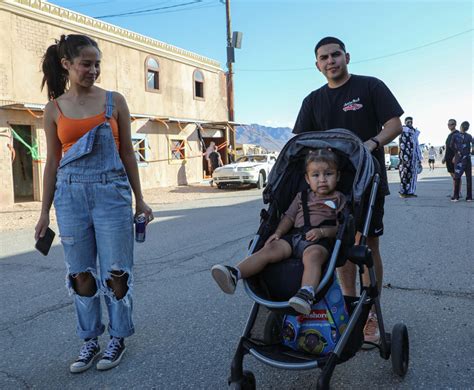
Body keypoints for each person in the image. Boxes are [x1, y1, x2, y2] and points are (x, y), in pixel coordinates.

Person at [34, 34, 153, 373]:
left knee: (117, 272)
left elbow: (128, 152)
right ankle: (89, 340)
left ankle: (117, 337)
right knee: (81, 274)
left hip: (111, 195)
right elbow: (53, 163)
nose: (93, 70)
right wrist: (44, 212)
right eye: (86, 64)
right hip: (69, 197)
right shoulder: (54, 109)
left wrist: (140, 199)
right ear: (67, 65)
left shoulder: (115, 101)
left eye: (97, 64)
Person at [292, 36, 403, 344]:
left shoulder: (370, 87)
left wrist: (372, 143)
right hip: (330, 188)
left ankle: (369, 312)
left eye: (335, 55)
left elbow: (394, 124)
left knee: (365, 246)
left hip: (367, 181)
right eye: (324, 57)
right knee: (341, 245)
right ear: (317, 65)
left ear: (347, 57)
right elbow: (301, 141)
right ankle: (348, 303)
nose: (331, 61)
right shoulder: (313, 100)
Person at [211, 149, 346, 314]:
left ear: (338, 176)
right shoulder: (301, 196)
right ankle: (234, 273)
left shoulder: (339, 198)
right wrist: (278, 233)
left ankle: (306, 293)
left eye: (328, 174)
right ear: (307, 179)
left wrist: (323, 232)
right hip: (295, 236)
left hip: (319, 242)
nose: (322, 179)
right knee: (269, 249)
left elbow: (343, 228)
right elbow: (288, 217)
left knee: (313, 257)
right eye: (316, 175)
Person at [398, 117, 422, 197]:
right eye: (408, 121)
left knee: (413, 175)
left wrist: (419, 158)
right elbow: (403, 146)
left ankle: (410, 192)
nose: (410, 123)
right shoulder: (403, 131)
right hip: (405, 158)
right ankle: (403, 192)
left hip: (413, 158)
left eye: (411, 121)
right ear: (405, 122)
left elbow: (417, 146)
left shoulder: (414, 133)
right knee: (405, 174)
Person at [450, 121, 472, 202]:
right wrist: (472, 151)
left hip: (459, 159)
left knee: (457, 177)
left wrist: (457, 152)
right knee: (468, 178)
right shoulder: (469, 136)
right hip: (467, 159)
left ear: (461, 126)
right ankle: (469, 197)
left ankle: (456, 196)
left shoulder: (455, 135)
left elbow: (451, 145)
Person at [442, 119, 461, 198]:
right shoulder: (450, 135)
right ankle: (455, 192)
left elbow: (460, 147)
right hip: (448, 158)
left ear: (455, 124)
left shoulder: (457, 134)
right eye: (449, 124)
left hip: (454, 159)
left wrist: (455, 156)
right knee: (453, 176)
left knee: (456, 176)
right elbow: (447, 147)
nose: (450, 126)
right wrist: (444, 157)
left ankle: (457, 193)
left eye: (452, 124)